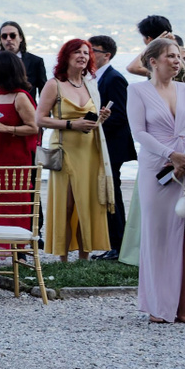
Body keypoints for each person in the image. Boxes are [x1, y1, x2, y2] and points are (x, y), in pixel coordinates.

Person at [129, 37, 185, 324]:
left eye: (179, 57)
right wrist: (170, 155)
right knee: (158, 236)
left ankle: (184, 304)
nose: (177, 61)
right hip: (157, 168)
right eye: (171, 56)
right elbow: (139, 132)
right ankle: (159, 303)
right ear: (153, 61)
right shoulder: (136, 90)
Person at [38, 38, 111, 261]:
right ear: (66, 56)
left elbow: (91, 122)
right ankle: (63, 258)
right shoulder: (54, 84)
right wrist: (71, 124)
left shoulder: (91, 84)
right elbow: (40, 119)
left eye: (86, 53)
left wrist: (101, 118)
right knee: (68, 204)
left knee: (86, 204)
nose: (83, 56)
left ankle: (84, 257)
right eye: (77, 52)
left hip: (89, 151)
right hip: (65, 150)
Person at [0, 51, 40, 228]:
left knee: (15, 199)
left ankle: (18, 241)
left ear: (3, 70)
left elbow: (34, 127)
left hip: (15, 157)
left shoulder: (20, 97)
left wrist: (7, 129)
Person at [89, 35, 135, 255]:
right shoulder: (95, 78)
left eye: (92, 50)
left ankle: (118, 244)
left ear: (106, 55)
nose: (88, 54)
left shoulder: (114, 78)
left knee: (112, 193)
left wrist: (94, 126)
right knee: (105, 193)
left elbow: (121, 115)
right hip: (102, 146)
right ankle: (112, 242)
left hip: (113, 147)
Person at [0, 22, 48, 95]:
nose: (8, 39)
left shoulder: (35, 62)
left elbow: (44, 92)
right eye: (4, 36)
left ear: (20, 38)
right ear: (0, 40)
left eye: (12, 35)